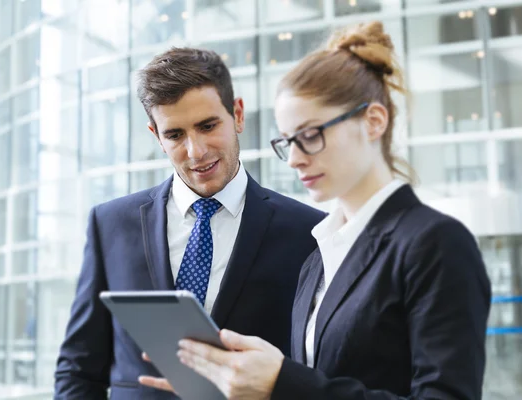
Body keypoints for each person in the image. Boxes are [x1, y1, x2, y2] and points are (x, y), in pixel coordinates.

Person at [141, 21, 492, 400]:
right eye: (287, 141)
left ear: (373, 121)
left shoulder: (434, 243)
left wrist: (281, 381)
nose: (293, 159)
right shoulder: (318, 256)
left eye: (309, 136)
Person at [54, 47, 325, 400]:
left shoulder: (309, 232)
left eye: (208, 126)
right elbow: (78, 367)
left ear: (237, 115)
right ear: (156, 136)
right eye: (175, 135)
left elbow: (314, 368)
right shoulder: (110, 225)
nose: (195, 151)